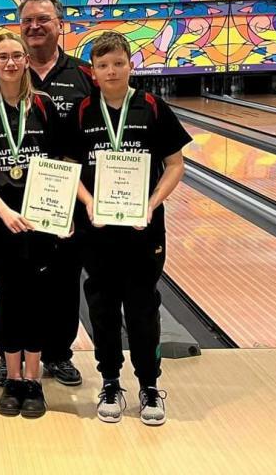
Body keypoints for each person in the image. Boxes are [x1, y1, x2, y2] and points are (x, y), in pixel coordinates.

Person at [65, 31, 190, 426]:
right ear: (94, 71)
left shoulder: (153, 106)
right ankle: (110, 380)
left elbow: (175, 165)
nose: (111, 70)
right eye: (103, 65)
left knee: (142, 309)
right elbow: (69, 169)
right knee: (101, 308)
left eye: (118, 62)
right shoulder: (83, 111)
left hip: (143, 230)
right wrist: (87, 204)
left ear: (130, 64)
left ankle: (149, 385)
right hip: (97, 230)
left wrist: (152, 204)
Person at [0, 0, 96, 388]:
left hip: (65, 201)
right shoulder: (7, 73)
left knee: (65, 280)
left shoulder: (84, 76)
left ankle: (57, 354)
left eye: (44, 19)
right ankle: (9, 355)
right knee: (11, 284)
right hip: (13, 207)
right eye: (28, 20)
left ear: (59, 24)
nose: (35, 26)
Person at [0, 33, 60, 419]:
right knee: (7, 294)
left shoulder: (43, 105)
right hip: (0, 218)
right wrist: (2, 211)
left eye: (16, 56)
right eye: (2, 57)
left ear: (25, 61)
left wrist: (57, 213)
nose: (9, 63)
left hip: (40, 217)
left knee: (36, 296)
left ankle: (34, 379)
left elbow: (59, 163)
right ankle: (12, 377)